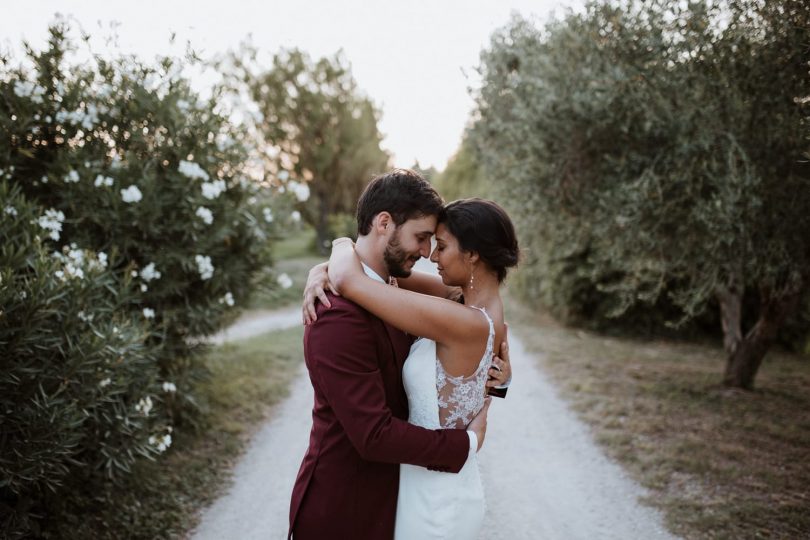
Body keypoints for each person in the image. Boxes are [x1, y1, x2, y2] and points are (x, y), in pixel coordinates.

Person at [288, 169, 512, 540]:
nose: (427, 253)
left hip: (402, 499)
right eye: (422, 238)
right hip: (344, 512)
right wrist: (467, 443)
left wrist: (504, 374)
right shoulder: (336, 315)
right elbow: (373, 434)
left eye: (434, 243)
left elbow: (481, 321)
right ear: (384, 222)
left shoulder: (396, 293)